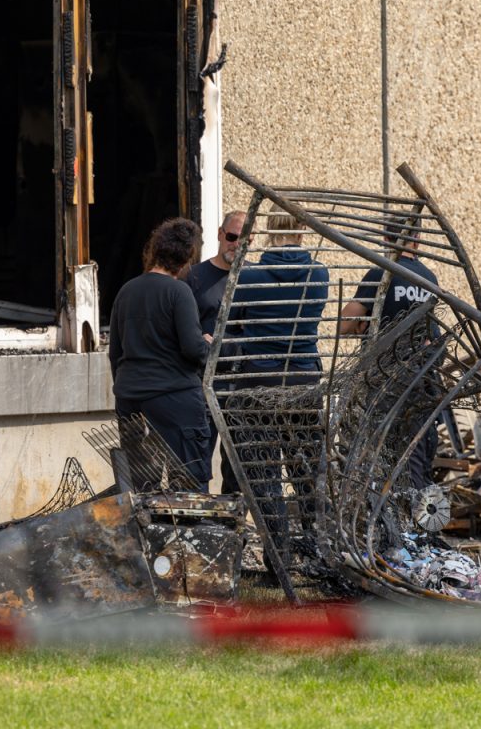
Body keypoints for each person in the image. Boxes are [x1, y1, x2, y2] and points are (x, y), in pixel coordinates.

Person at [228, 205, 329, 547]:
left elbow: (236, 321)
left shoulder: (248, 276)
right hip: (302, 379)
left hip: (259, 381)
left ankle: (278, 550)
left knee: (265, 469)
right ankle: (315, 545)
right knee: (305, 468)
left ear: (269, 232)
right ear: (302, 233)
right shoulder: (319, 273)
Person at [108, 218, 213, 492]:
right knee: (189, 483)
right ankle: (190, 536)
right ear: (187, 257)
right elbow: (192, 348)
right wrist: (209, 345)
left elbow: (115, 352)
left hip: (130, 400)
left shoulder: (126, 291)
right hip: (174, 397)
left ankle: (148, 535)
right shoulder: (179, 292)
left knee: (142, 487)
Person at [338, 220, 441, 489]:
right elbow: (433, 334)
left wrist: (365, 324)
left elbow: (344, 324)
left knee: (376, 455)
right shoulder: (429, 279)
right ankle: (415, 525)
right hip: (419, 381)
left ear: (386, 238)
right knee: (413, 456)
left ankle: (383, 522)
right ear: (417, 239)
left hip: (382, 385)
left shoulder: (380, 274)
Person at [187, 210, 247, 495]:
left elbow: (258, 333)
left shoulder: (253, 280)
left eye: (244, 239)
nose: (237, 244)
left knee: (237, 467)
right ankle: (201, 529)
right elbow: (182, 330)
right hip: (201, 384)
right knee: (197, 464)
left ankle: (232, 532)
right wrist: (198, 339)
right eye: (233, 237)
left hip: (241, 386)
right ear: (220, 235)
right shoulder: (194, 278)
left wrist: (224, 344)